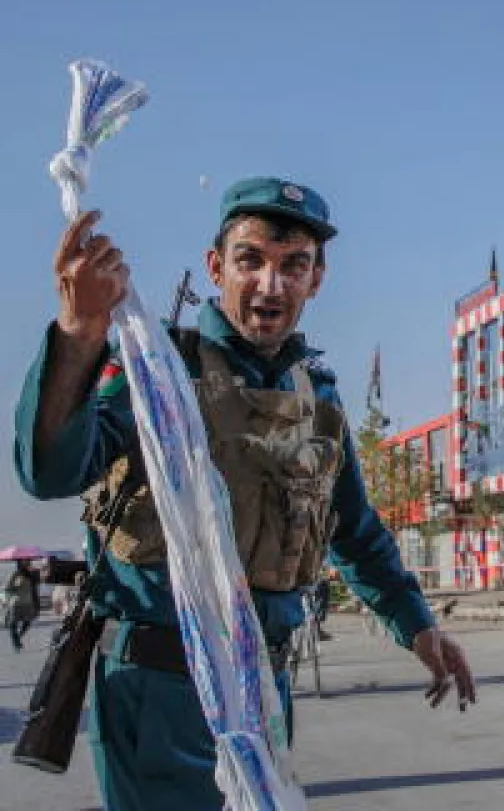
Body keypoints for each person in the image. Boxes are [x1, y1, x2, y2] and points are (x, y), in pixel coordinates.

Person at [14, 177, 477, 810]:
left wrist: (417, 624)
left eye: (294, 266)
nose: (270, 285)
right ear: (216, 267)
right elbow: (49, 473)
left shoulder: (316, 392)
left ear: (317, 279)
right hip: (162, 685)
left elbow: (351, 527)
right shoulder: (157, 366)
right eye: (250, 261)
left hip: (264, 687)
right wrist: (78, 333)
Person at [4, 559, 42, 651]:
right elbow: (7, 588)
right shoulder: (15, 574)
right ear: (19, 563)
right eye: (24, 561)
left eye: (28, 561)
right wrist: (15, 586)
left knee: (28, 622)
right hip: (16, 603)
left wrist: (36, 573)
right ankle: (16, 643)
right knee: (12, 624)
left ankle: (19, 637)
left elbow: (38, 583)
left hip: (29, 602)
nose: (26, 563)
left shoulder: (32, 574)